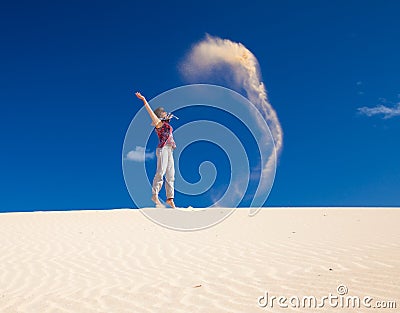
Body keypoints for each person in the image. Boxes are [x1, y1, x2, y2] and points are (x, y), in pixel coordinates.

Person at [135, 92, 176, 208]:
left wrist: (168, 118)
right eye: (163, 111)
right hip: (163, 149)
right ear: (159, 115)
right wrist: (143, 99)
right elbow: (150, 113)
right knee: (161, 171)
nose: (165, 112)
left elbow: (167, 121)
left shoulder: (166, 123)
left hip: (169, 150)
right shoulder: (159, 124)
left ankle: (170, 198)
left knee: (171, 175)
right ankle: (155, 194)